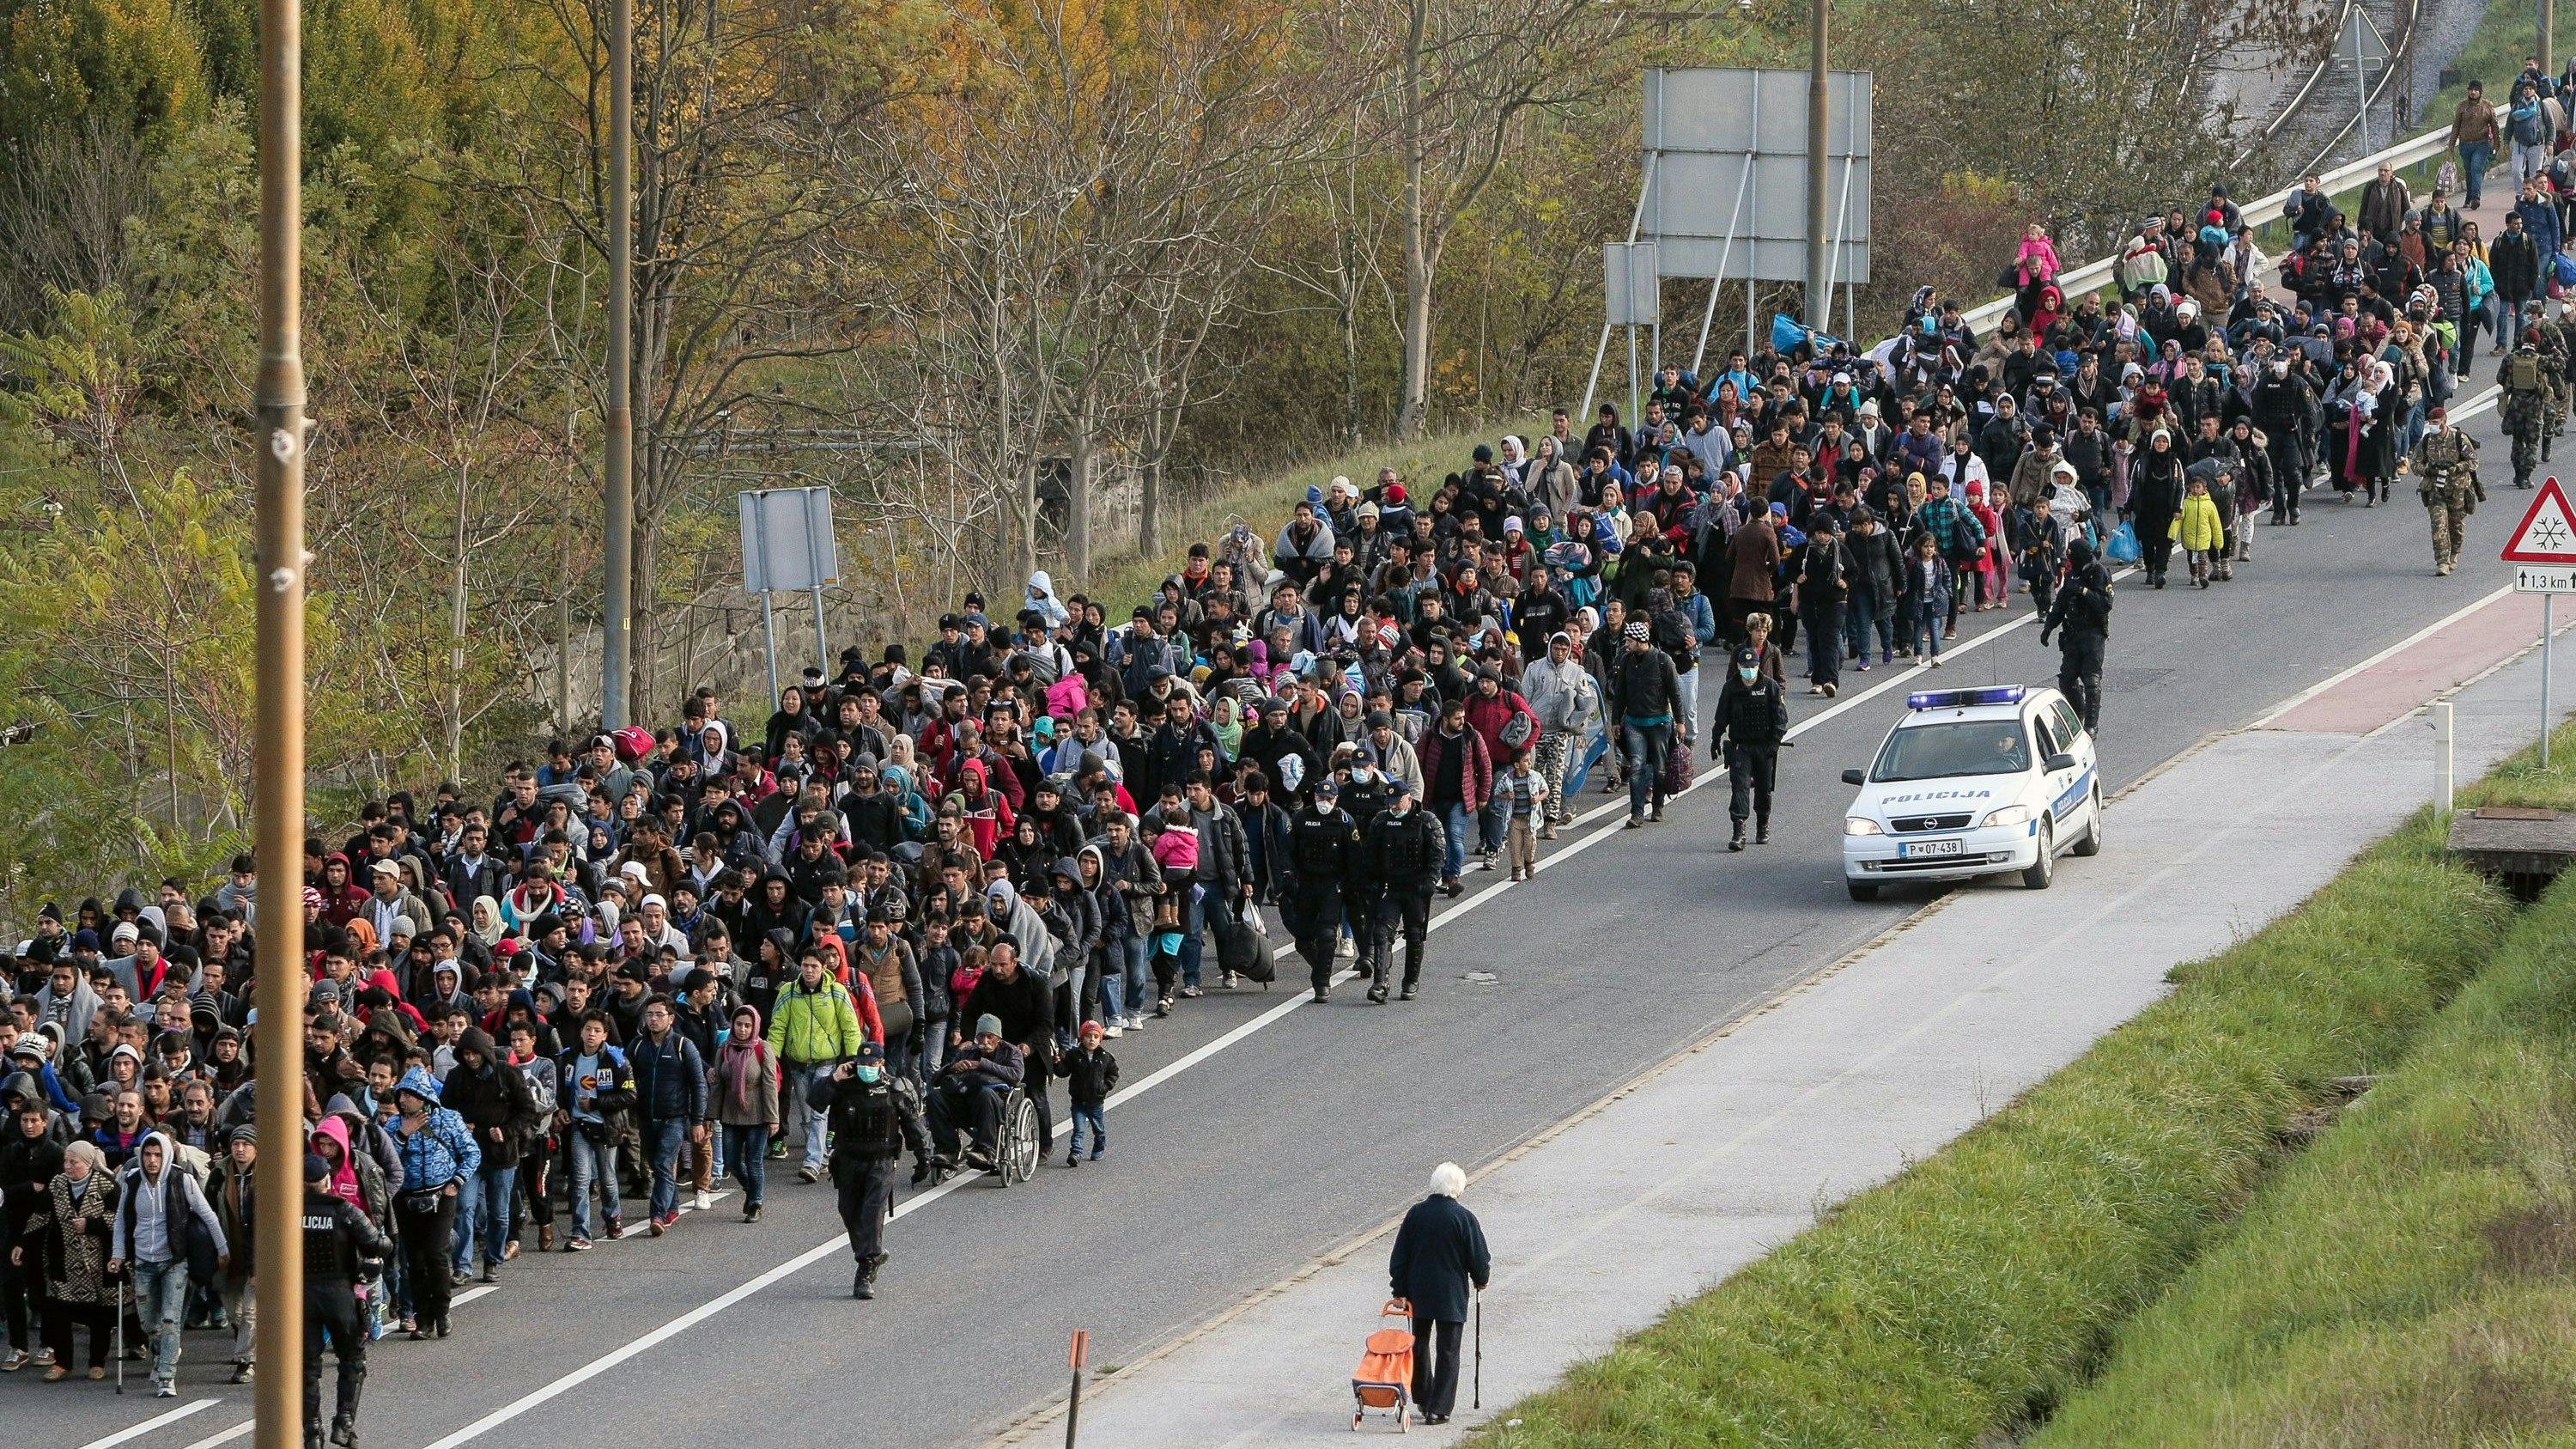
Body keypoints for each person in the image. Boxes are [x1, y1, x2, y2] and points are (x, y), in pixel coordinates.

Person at [109, 1129, 225, 1396]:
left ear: (167, 1155)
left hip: (175, 1260)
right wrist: (118, 1254)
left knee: (171, 1320)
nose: (152, 1160)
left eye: (158, 1155)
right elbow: (121, 1220)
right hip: (142, 1261)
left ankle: (166, 1376)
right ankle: (163, 1353)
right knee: (149, 1324)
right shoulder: (132, 1180)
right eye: (148, 1155)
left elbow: (207, 1215)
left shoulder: (181, 1179)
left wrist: (222, 1248)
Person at [298, 1151, 391, 1449]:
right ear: (328, 1180)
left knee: (307, 1367)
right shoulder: (344, 1210)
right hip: (339, 1293)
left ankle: (312, 1432)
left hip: (303, 1295)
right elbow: (378, 1243)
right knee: (352, 1359)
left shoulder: (289, 1210)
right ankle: (344, 1423)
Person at [1387, 1161, 1490, 1428]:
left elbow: (1400, 1257)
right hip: (1451, 1296)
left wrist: (1399, 1290)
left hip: (1418, 1292)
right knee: (1448, 1350)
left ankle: (1423, 1396)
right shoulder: (1464, 1218)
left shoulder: (1415, 1214)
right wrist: (1481, 1280)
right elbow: (1478, 1258)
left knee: (1418, 1345)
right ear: (1458, 1188)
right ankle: (1439, 1409)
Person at [17, 1139, 118, 1380]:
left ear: (87, 1163)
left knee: (100, 1316)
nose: (68, 1166)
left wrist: (91, 1224)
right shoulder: (58, 1184)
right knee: (58, 1312)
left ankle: (97, 1362)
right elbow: (40, 1216)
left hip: (97, 1262)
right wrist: (21, 1243)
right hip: (63, 1260)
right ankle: (63, 1362)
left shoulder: (107, 1186)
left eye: (74, 1162)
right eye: (66, 1161)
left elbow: (118, 1219)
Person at [386, 1066, 475, 1339]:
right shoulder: (392, 1125)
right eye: (401, 1095)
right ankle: (422, 1318)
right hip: (406, 1199)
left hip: (441, 1196)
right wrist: (404, 1133)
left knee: (436, 1254)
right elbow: (386, 1159)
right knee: (414, 1260)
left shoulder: (448, 1120)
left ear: (423, 1096)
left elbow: (471, 1152)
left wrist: (456, 1183)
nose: (403, 1100)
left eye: (409, 1095)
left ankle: (442, 1312)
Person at [810, 1043, 903, 1299]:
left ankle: (866, 1267)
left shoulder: (893, 1087)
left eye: (872, 1064)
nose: (867, 1069)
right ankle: (871, 1251)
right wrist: (833, 1078)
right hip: (849, 1160)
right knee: (849, 1210)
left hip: (881, 1161)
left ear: (881, 1063)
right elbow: (815, 1102)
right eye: (862, 1065)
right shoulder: (844, 1086)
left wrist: (924, 1155)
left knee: (873, 1211)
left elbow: (912, 1120)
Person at [1360, 778, 1443, 1004]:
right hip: (1391, 887)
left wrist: (1431, 881)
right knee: (1381, 932)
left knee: (1415, 935)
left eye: (1398, 802)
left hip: (1416, 888)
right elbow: (1370, 853)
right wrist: (1371, 881)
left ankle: (1410, 981)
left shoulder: (1427, 821)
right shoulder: (1381, 821)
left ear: (1409, 799)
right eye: (1391, 802)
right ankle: (1380, 983)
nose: (1394, 806)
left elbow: (1437, 854)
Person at [1283, 776, 1362, 1002]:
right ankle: (1320, 966)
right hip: (1306, 883)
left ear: (1336, 798)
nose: (1324, 801)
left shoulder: (1345, 821)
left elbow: (1355, 857)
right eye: (1320, 797)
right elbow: (1286, 851)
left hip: (1332, 884)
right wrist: (1287, 874)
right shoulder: (1301, 819)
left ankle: (1322, 982)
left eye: (1329, 798)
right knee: (1303, 938)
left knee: (1327, 934)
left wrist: (1351, 885)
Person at [1606, 619, 1684, 829]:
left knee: (1659, 768)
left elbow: (1675, 693)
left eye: (1630, 640)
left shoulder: (1663, 661)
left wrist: (1680, 721)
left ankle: (1658, 805)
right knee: (1637, 767)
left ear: (1641, 641)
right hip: (1634, 723)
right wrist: (1615, 721)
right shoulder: (1627, 660)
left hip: (1659, 722)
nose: (1626, 644)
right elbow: (1620, 691)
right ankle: (1637, 812)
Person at [1710, 648, 1791, 850]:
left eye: (1753, 666)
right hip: (1741, 746)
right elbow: (1721, 716)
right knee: (1740, 787)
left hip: (1764, 747)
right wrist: (1715, 739)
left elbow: (1781, 720)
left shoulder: (1770, 687)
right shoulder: (1731, 688)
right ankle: (1739, 831)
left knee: (1764, 789)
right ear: (1739, 666)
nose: (1750, 670)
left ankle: (1763, 824)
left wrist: (1773, 745)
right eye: (1746, 667)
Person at [2043, 538, 2115, 736]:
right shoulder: (2072, 574)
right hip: (2073, 634)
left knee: (2092, 681)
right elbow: (2061, 603)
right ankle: (2078, 713)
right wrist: (2049, 627)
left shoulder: (2099, 573)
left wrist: (2084, 592)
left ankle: (2091, 725)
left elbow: (2105, 603)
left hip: (2093, 634)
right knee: (2067, 680)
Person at [2412, 405, 2485, 576]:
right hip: (2436, 491)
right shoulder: (2426, 441)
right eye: (2430, 423)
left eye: (2436, 422)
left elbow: (2474, 462)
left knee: (2456, 526)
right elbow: (2415, 465)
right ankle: (2442, 562)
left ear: (2445, 422)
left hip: (2458, 490)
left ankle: (2454, 554)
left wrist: (2456, 467)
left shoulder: (2459, 439)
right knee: (2439, 527)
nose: (2433, 426)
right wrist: (2429, 470)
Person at [1060, 1020, 1119, 1165]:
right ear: (1082, 1037)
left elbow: (1114, 1073)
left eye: (1095, 1036)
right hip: (1078, 1101)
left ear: (1100, 1039)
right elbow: (1064, 1071)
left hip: (1096, 1101)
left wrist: (1104, 1087)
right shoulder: (1074, 1055)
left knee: (1098, 1128)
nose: (1091, 1040)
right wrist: (1057, 1064)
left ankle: (1099, 1145)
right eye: (1088, 1036)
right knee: (1078, 1129)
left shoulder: (1105, 1057)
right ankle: (1076, 1152)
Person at [2505, 333, 2551, 488]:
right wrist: (2553, 347)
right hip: (2534, 408)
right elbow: (2560, 364)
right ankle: (2526, 476)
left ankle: (2517, 475)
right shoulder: (2541, 360)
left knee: (2517, 440)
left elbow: (2500, 378)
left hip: (2516, 407)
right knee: (2532, 443)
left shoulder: (2511, 358)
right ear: (2537, 344)